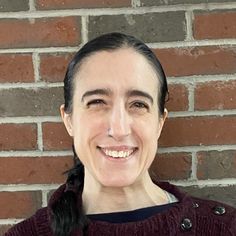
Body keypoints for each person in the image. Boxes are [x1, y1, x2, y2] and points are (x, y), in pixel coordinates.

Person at [4, 32, 236, 236]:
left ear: (159, 122)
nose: (119, 129)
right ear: (69, 120)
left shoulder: (225, 228)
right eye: (97, 102)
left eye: (138, 104)